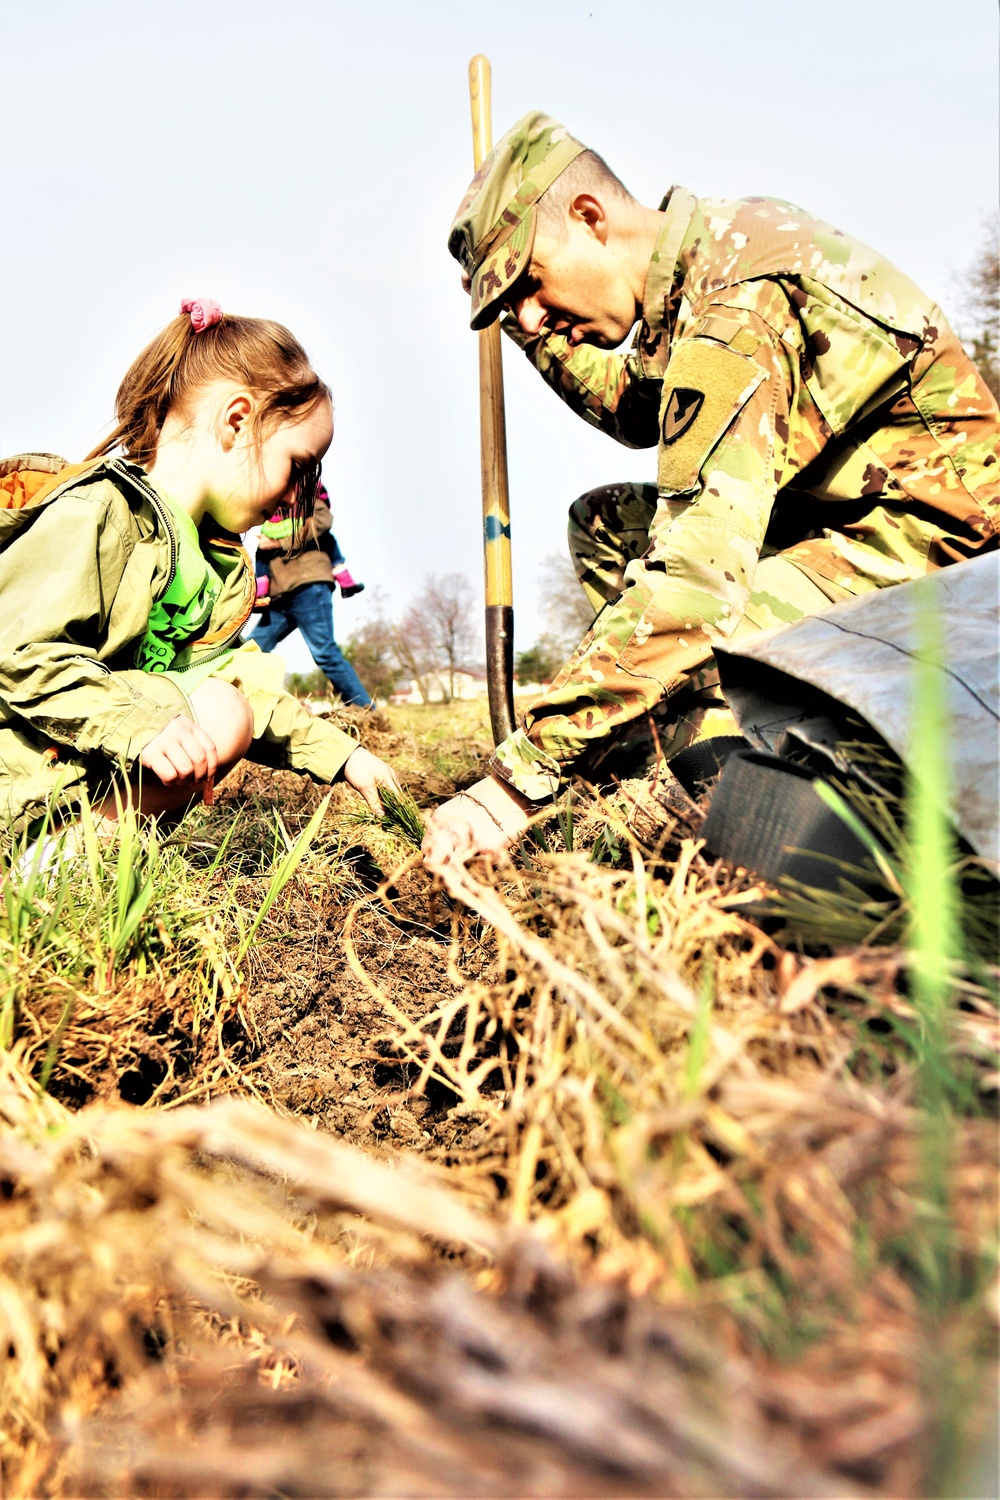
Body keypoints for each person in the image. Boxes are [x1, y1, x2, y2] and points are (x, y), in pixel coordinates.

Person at [423, 111, 999, 870]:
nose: (528, 315)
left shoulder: (737, 308)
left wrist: (516, 780)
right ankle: (689, 746)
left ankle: (751, 790)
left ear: (591, 218)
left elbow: (696, 585)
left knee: (705, 614)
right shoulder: (702, 260)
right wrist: (536, 336)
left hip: (942, 547)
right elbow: (636, 408)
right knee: (606, 523)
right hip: (837, 519)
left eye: (529, 284)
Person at [0, 298, 399, 851]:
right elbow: (20, 654)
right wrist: (139, 725)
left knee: (224, 706)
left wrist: (345, 757)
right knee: (210, 709)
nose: (292, 496)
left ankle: (77, 855)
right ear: (237, 421)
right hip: (18, 773)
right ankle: (45, 862)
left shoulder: (208, 561)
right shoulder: (96, 513)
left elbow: (228, 687)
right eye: (297, 468)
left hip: (77, 771)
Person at [251, 483, 371, 706]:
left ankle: (366, 711)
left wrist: (279, 542)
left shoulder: (306, 495)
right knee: (250, 650)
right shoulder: (270, 507)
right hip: (280, 597)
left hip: (308, 588)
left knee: (324, 653)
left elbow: (324, 521)